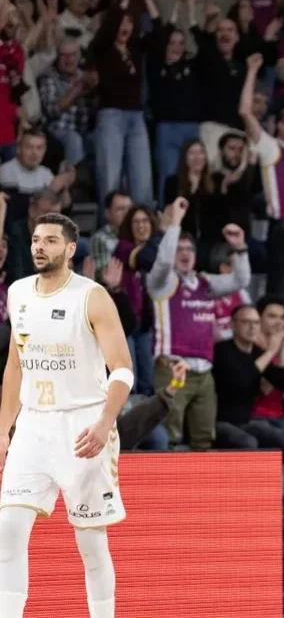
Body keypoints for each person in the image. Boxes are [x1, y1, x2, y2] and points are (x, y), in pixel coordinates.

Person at [0, 213, 135, 618]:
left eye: (51, 241)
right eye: (36, 239)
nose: (39, 246)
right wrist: (4, 429)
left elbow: (124, 370)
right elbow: (15, 366)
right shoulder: (20, 292)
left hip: (84, 426)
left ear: (71, 249)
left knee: (91, 545)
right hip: (34, 427)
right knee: (8, 531)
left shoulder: (91, 296)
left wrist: (105, 423)